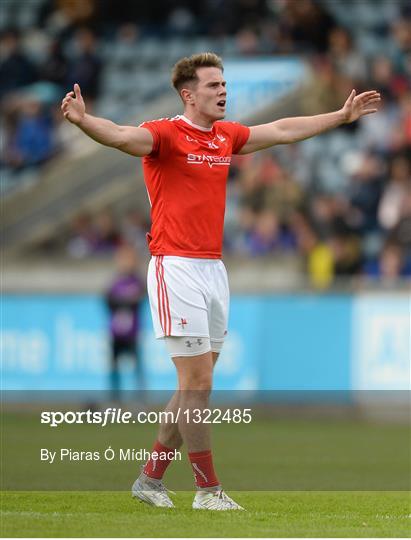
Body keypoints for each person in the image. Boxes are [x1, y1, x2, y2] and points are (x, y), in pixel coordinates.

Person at [61, 52, 380, 510]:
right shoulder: (166, 134)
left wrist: (341, 116)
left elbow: (282, 130)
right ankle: (208, 490)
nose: (223, 91)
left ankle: (150, 479)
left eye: (224, 84)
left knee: (195, 385)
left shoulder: (225, 137)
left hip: (214, 268)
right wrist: (83, 121)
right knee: (198, 382)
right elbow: (122, 137)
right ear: (189, 95)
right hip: (176, 267)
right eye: (213, 86)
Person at [105, 244, 145, 401]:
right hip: (116, 332)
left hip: (132, 333)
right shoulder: (115, 282)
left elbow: (138, 299)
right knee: (114, 368)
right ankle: (115, 401)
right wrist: (126, 300)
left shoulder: (138, 281)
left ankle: (139, 401)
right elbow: (109, 301)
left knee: (137, 368)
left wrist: (123, 301)